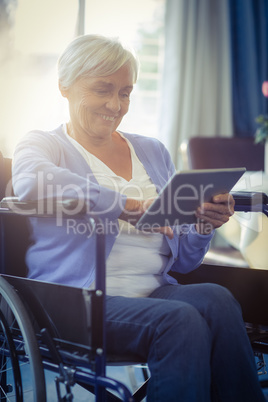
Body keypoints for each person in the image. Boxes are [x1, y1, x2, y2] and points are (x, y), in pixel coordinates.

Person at [12, 34, 265, 402]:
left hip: (153, 293)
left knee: (217, 299)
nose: (115, 105)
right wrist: (126, 205)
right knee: (180, 321)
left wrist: (202, 224)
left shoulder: (152, 150)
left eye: (125, 92)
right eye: (103, 90)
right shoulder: (43, 144)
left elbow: (187, 261)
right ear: (64, 87)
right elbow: (32, 182)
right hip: (77, 302)